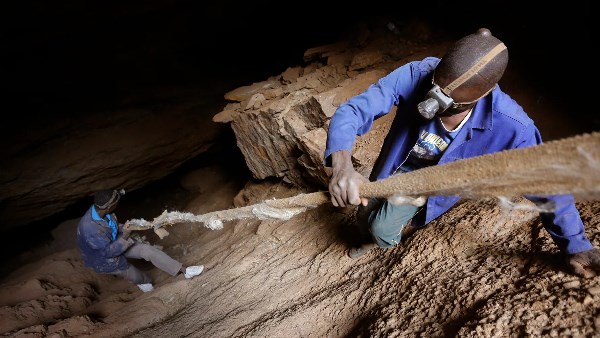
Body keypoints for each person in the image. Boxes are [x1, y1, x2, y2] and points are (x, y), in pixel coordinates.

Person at [324, 28, 600, 278]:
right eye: (433, 87)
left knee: (380, 227)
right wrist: (342, 165)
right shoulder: (418, 73)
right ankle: (365, 233)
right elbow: (354, 110)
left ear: (481, 96)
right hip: (396, 161)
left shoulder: (513, 127)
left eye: (448, 102)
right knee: (364, 210)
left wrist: (576, 246)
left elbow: (549, 186)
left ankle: (377, 239)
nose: (431, 102)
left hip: (429, 182)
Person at [76, 189, 205, 292]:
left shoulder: (102, 212)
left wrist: (127, 227)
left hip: (116, 242)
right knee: (141, 278)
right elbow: (108, 252)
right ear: (109, 207)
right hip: (104, 258)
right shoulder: (90, 228)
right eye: (116, 202)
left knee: (147, 250)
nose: (118, 203)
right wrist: (125, 235)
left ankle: (185, 271)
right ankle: (145, 284)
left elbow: (110, 229)